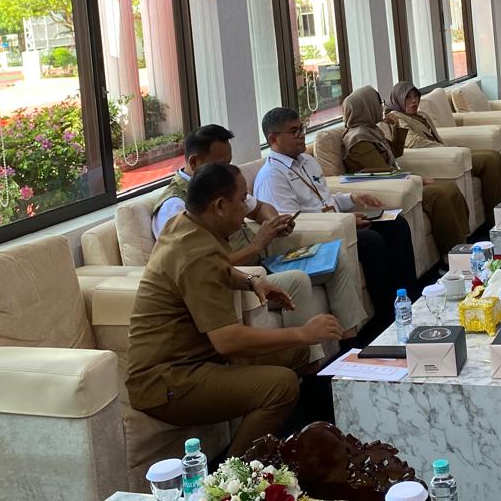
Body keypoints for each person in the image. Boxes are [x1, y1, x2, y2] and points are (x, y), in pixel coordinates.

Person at [127, 162, 344, 455]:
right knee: (281, 386)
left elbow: (216, 269)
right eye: (242, 199)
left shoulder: (187, 225)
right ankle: (235, 472)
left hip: (199, 360)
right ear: (219, 206)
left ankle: (300, 443)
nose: (246, 209)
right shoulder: (195, 252)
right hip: (168, 380)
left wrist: (251, 281)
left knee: (299, 353)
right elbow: (228, 341)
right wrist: (302, 332)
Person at [151, 124, 367, 351]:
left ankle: (352, 348)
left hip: (264, 260)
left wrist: (274, 223)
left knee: (336, 256)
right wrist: (255, 246)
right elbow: (202, 267)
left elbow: (259, 207)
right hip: (241, 273)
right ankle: (308, 362)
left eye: (229, 163)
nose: (227, 170)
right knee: (298, 280)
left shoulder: (222, 187)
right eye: (220, 164)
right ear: (194, 162)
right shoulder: (174, 207)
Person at [254, 106, 418, 336]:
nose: (301, 135)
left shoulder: (306, 161)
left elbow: (325, 199)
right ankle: (387, 318)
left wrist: (352, 199)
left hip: (337, 224)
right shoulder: (272, 176)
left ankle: (411, 300)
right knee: (370, 241)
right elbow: (292, 224)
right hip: (312, 239)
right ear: (273, 139)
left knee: (396, 224)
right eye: (293, 131)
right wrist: (345, 220)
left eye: (302, 128)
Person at [341, 85, 472, 257]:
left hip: (399, 181)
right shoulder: (358, 140)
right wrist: (416, 178)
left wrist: (395, 126)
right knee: (441, 194)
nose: (381, 107)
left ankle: (463, 243)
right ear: (367, 107)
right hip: (388, 187)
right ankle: (451, 254)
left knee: (449, 188)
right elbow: (383, 172)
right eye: (378, 103)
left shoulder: (370, 130)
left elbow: (395, 153)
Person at [385, 81, 501, 227]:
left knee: (493, 155)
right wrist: (446, 149)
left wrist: (448, 147)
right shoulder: (396, 117)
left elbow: (435, 137)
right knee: (489, 160)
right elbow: (413, 142)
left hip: (447, 151)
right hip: (438, 158)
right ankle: (500, 218)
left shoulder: (421, 115)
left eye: (416, 96)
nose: (414, 101)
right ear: (398, 99)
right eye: (408, 98)